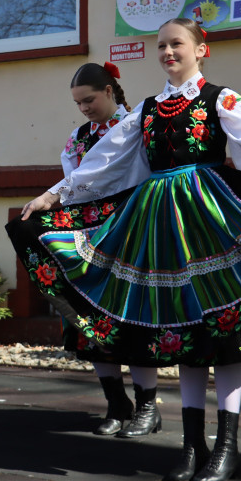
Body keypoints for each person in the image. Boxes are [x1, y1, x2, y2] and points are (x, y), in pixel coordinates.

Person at [9, 18, 241, 481]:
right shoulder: (146, 111)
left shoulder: (221, 98)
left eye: (176, 44)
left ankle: (226, 447)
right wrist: (53, 196)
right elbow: (105, 160)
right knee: (184, 329)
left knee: (224, 329)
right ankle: (192, 445)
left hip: (210, 217)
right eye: (161, 46)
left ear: (202, 50)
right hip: (159, 223)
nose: (167, 52)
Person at [53, 62, 161, 437]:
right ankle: (117, 403)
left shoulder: (138, 128)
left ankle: (148, 406)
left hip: (133, 229)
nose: (83, 109)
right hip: (92, 234)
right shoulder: (79, 138)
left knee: (134, 317)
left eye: (89, 99)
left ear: (111, 91)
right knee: (92, 317)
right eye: (78, 103)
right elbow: (72, 182)